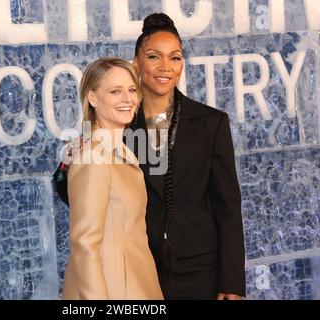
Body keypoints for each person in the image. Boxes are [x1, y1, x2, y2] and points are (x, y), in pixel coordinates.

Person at [55, 13, 245, 300]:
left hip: (199, 270)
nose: (165, 67)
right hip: (136, 272)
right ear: (137, 63)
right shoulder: (115, 122)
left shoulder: (211, 123)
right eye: (154, 57)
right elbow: (81, 199)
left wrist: (231, 281)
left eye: (175, 58)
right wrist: (72, 161)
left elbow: (228, 207)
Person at [61, 57, 163, 300]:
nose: (127, 99)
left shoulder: (120, 151)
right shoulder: (93, 156)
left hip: (137, 286)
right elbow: (85, 245)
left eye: (131, 90)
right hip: (113, 291)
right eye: (115, 91)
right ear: (92, 97)